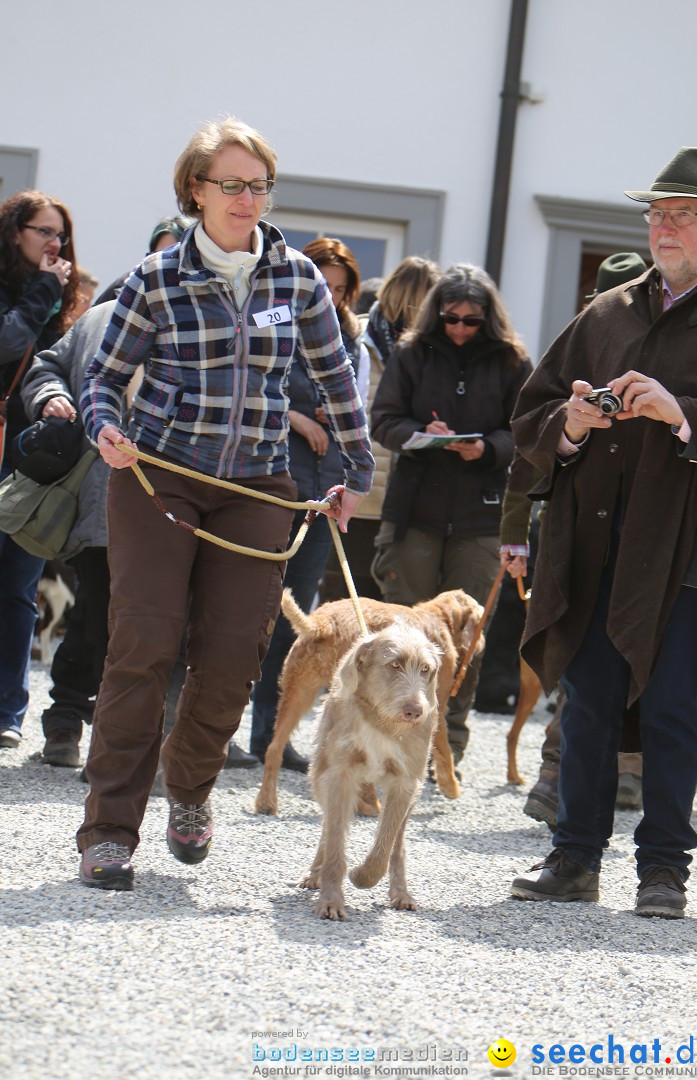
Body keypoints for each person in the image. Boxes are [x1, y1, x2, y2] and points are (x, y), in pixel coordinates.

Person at [76, 117, 373, 891]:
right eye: (232, 184)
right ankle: (109, 829)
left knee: (236, 650)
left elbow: (338, 381)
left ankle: (191, 791)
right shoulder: (157, 277)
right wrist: (105, 427)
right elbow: (103, 379)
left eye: (260, 185)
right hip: (159, 475)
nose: (249, 199)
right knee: (143, 644)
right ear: (196, 191)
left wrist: (355, 467)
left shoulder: (298, 279)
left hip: (256, 483)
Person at [509, 146, 697, 919]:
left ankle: (664, 869)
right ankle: (574, 857)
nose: (664, 228)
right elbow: (530, 415)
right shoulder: (608, 311)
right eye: (656, 215)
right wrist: (568, 425)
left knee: (671, 702)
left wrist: (684, 414)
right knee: (590, 695)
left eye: (683, 215)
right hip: (597, 532)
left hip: (690, 538)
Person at [496, 253, 650, 825]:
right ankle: (552, 774)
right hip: (569, 533)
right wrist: (515, 538)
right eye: (595, 305)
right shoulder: (573, 354)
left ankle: (629, 771)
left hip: (643, 535)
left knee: (636, 651)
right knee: (570, 650)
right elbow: (525, 462)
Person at [371, 262, 532, 766]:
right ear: (437, 315)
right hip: (415, 510)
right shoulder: (411, 353)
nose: (460, 328)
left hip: (481, 517)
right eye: (451, 318)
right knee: (403, 640)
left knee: (464, 644)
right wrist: (425, 435)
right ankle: (390, 744)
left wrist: (484, 447)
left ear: (489, 320)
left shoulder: (512, 362)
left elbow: (525, 433)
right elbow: (383, 421)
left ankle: (449, 748)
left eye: (471, 320)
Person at [247, 236, 370, 769]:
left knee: (296, 621)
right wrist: (295, 417)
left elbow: (355, 407)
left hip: (323, 490)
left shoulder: (354, 339)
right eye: (325, 286)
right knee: (246, 609)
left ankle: (270, 735)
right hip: (268, 479)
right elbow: (245, 386)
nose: (334, 297)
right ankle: (218, 726)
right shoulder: (272, 315)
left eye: (342, 290)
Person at [21, 302, 115, 767]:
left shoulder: (218, 316)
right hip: (104, 501)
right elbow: (46, 365)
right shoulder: (104, 316)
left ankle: (130, 737)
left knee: (158, 628)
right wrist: (51, 396)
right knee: (95, 616)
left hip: (183, 507)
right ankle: (65, 720)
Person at [0, 190, 78, 749]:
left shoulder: (56, 303)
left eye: (61, 236)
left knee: (20, 591)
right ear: (14, 233)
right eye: (44, 232)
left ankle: (7, 711)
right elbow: (6, 341)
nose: (55, 245)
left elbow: (47, 370)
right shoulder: (35, 297)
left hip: (28, 463)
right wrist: (45, 292)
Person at [318, 255, 441, 604]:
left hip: (403, 504)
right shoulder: (356, 340)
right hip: (355, 497)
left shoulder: (426, 352)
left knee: (387, 612)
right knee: (346, 606)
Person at [93, 214, 193, 306]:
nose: (163, 262)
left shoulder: (202, 294)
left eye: (172, 255)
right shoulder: (129, 283)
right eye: (156, 255)